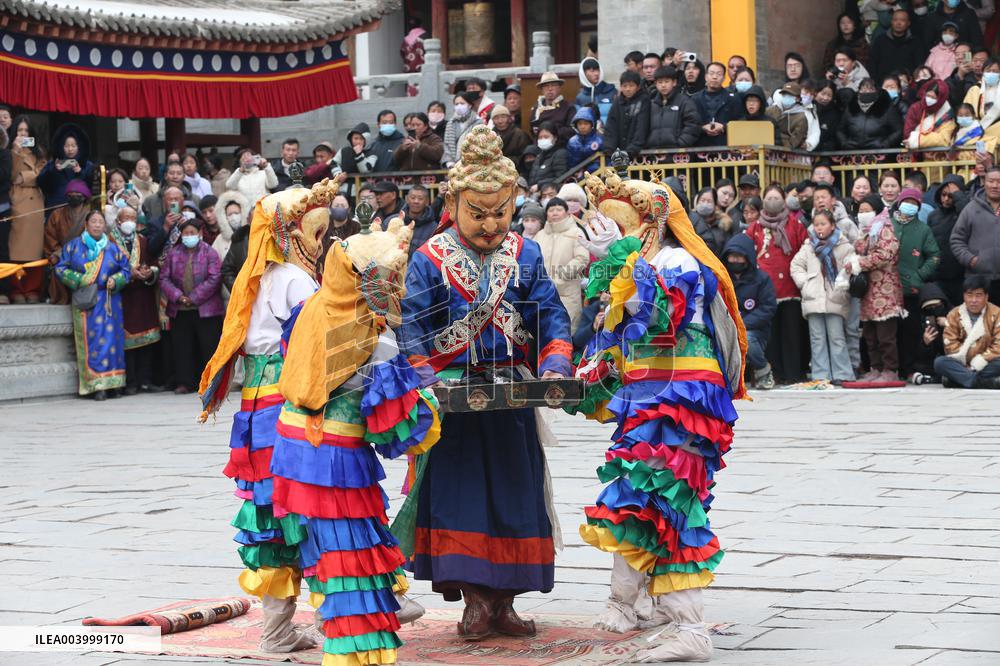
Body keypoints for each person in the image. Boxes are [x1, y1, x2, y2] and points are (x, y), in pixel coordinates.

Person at [399, 126, 573, 641]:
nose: (491, 224)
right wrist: (425, 377)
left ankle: (506, 601)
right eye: (479, 213)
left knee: (516, 498)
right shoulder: (430, 257)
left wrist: (556, 364)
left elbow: (550, 316)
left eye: (501, 212)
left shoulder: (526, 253)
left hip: (512, 397)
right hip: (453, 406)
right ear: (454, 203)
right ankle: (475, 601)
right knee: (462, 499)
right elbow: (412, 326)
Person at [571, 169, 746, 662]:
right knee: (635, 495)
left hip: (683, 395)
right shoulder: (642, 260)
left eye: (628, 221)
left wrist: (625, 261)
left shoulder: (678, 260)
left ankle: (690, 625)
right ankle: (627, 604)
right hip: (648, 392)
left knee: (668, 501)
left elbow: (659, 320)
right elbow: (618, 328)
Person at [271, 213, 440, 666]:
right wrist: (427, 412)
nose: (398, 289)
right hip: (336, 462)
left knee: (324, 551)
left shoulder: (313, 308)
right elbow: (392, 430)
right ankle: (352, 657)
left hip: (291, 452)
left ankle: (332, 633)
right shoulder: (373, 334)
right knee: (353, 563)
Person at [199, 179, 358, 653]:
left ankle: (277, 631)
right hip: (287, 403)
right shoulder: (293, 278)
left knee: (271, 514)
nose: (321, 242)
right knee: (311, 509)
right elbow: (319, 340)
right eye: (316, 233)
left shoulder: (259, 278)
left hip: (256, 406)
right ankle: (344, 618)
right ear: (291, 234)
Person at [55, 210, 131, 400]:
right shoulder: (73, 247)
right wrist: (81, 279)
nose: (97, 225)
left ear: (105, 226)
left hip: (110, 300)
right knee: (94, 341)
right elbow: (61, 268)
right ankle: (96, 384)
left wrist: (117, 279)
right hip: (87, 299)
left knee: (114, 340)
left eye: (100, 222)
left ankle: (114, 383)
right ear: (86, 225)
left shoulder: (113, 248)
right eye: (93, 221)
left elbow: (126, 270)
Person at [747, 184, 809, 383]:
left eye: (777, 198)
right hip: (764, 291)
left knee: (791, 333)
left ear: (784, 200)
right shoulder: (755, 226)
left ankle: (793, 373)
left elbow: (804, 250)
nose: (773, 201)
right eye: (769, 197)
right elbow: (747, 252)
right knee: (770, 336)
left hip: (790, 288)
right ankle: (775, 373)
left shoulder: (795, 224)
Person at [791, 209, 857, 383]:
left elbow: (852, 267)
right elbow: (796, 266)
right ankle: (821, 375)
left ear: (833, 225)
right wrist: (805, 283)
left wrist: (844, 283)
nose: (819, 227)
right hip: (813, 297)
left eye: (823, 224)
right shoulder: (808, 246)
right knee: (817, 338)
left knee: (837, 337)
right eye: (816, 224)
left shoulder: (844, 246)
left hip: (835, 295)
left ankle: (842, 374)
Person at [159, 218, 223, 394]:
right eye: (185, 233)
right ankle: (185, 382)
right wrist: (179, 297)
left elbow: (215, 278)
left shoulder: (209, 252)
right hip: (180, 309)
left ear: (200, 233)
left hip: (206, 309)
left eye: (192, 233)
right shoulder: (174, 253)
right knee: (182, 347)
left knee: (208, 346)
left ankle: (210, 382)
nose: (189, 236)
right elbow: (164, 278)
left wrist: (194, 297)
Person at [849, 194, 905, 382]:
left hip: (885, 290)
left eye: (867, 210)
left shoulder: (884, 228)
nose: (863, 214)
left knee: (885, 335)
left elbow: (885, 254)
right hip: (868, 292)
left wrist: (860, 262)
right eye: (861, 211)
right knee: (870, 335)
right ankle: (875, 368)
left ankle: (890, 369)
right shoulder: (864, 231)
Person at [109, 205, 161, 395]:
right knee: (127, 344)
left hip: (143, 296)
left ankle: (145, 380)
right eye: (125, 218)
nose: (129, 222)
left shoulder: (143, 241)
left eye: (133, 218)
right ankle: (130, 382)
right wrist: (129, 275)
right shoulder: (110, 243)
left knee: (146, 341)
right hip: (123, 296)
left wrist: (149, 273)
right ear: (118, 221)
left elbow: (155, 264)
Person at [724, 234, 777, 388]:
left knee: (747, 339)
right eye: (732, 257)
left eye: (739, 257)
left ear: (747, 258)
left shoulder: (761, 279)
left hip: (754, 328)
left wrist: (742, 324)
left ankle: (764, 372)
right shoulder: (723, 278)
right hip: (726, 326)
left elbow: (768, 308)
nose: (735, 261)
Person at [6, 115, 47, 303]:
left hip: (36, 201)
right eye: (20, 130)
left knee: (35, 249)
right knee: (16, 248)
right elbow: (10, 175)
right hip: (17, 201)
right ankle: (16, 289)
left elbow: (42, 174)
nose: (23, 134)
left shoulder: (39, 152)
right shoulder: (9, 151)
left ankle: (33, 289)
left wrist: (25, 176)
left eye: (26, 131)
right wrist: (15, 150)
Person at [933, 275, 1000, 388]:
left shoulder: (997, 313)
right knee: (939, 362)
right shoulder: (954, 314)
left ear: (986, 297)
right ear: (964, 296)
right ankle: (984, 382)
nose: (973, 300)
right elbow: (950, 345)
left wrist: (978, 363)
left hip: (986, 362)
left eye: (978, 296)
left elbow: (998, 346)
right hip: (962, 363)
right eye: (969, 295)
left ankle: (958, 379)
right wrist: (968, 363)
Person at [533, 197, 588, 327]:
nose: (555, 213)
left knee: (563, 334)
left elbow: (582, 258)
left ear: (567, 213)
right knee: (542, 335)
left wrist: (562, 275)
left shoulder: (576, 232)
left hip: (566, 293)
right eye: (551, 210)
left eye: (559, 209)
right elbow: (532, 260)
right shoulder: (540, 235)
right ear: (546, 214)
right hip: (542, 294)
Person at [951, 166, 1000, 305]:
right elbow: (956, 240)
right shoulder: (971, 208)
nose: (995, 185)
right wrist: (971, 260)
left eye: (999, 181)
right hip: (979, 279)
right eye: (991, 181)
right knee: (980, 324)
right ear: (984, 182)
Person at [43, 179, 92, 305]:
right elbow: (50, 237)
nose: (74, 196)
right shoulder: (57, 214)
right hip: (61, 255)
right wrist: (59, 253)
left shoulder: (91, 215)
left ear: (84, 197)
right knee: (59, 266)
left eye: (77, 194)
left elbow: (94, 237)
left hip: (84, 256)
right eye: (71, 194)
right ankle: (60, 298)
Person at [928, 174, 969, 306]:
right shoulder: (933, 216)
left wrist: (957, 195)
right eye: (943, 194)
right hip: (939, 277)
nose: (946, 199)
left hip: (961, 276)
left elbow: (968, 214)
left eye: (950, 196)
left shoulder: (963, 213)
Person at [38, 123, 93, 212]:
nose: (70, 149)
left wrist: (80, 172)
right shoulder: (52, 164)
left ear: (79, 147)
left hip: (80, 211)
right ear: (61, 146)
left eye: (73, 146)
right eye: (67, 146)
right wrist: (54, 171)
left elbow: (91, 188)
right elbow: (41, 184)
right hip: (56, 210)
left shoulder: (87, 165)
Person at [837, 79, 904, 149]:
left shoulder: (886, 107)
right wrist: (844, 143)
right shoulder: (851, 108)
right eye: (863, 89)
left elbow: (898, 130)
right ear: (858, 91)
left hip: (879, 153)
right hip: (853, 153)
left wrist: (885, 144)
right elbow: (840, 130)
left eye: (871, 89)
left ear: (876, 91)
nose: (867, 92)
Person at [646, 66, 702, 149]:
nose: (663, 85)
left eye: (666, 81)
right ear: (656, 84)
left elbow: (693, 126)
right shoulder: (651, 104)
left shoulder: (685, 102)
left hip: (678, 155)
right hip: (654, 154)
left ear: (674, 82)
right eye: (660, 82)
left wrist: (681, 143)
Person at [868, 10, 929, 84]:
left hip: (908, 85)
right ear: (891, 22)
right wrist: (875, 82)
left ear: (908, 23)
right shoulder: (880, 40)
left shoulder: (915, 42)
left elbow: (919, 66)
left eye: (902, 20)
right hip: (883, 84)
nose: (898, 23)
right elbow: (872, 63)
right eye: (895, 20)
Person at [904, 79, 957, 150]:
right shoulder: (916, 108)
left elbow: (944, 139)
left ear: (941, 99)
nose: (929, 99)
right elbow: (908, 135)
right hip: (915, 153)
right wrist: (933, 137)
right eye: (928, 96)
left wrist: (918, 140)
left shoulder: (947, 113)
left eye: (933, 97)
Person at [694, 61, 737, 147]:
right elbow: (689, 122)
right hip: (701, 146)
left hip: (725, 146)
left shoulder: (732, 98)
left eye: (719, 74)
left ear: (724, 78)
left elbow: (739, 121)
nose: (714, 77)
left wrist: (723, 127)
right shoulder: (695, 99)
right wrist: (702, 128)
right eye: (711, 73)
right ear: (706, 77)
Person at [529, 72, 575, 143]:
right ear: (542, 90)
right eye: (546, 86)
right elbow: (533, 130)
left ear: (559, 88)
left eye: (553, 85)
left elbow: (571, 131)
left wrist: (552, 131)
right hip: (540, 144)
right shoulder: (536, 109)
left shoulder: (568, 107)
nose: (550, 89)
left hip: (560, 144)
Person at [690, 186, 735, 257]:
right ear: (697, 202)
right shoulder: (689, 221)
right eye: (702, 200)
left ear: (715, 204)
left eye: (709, 201)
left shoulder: (723, 224)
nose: (705, 204)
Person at [442, 92, 485, 168]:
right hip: (454, 165)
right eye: (456, 104)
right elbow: (447, 144)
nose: (459, 106)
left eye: (462, 103)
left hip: (473, 165)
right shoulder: (451, 123)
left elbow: (480, 144)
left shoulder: (478, 122)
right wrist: (450, 162)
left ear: (469, 105)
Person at [394, 184, 437, 256]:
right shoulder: (394, 221)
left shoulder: (434, 228)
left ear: (427, 202)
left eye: (420, 199)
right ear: (407, 199)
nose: (416, 201)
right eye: (413, 198)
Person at [766, 83, 809, 149]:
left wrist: (778, 137)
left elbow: (793, 143)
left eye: (790, 95)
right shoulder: (770, 110)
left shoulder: (801, 118)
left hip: (784, 152)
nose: (786, 97)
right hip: (766, 146)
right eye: (784, 94)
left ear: (797, 98)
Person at [575, 57, 617, 125]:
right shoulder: (580, 97)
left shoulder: (612, 92)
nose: (596, 73)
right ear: (583, 73)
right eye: (592, 71)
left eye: (598, 70)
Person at [527, 123, 568, 188]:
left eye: (546, 137)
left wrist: (539, 185)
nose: (543, 139)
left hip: (549, 191)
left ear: (555, 138)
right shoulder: (539, 155)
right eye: (540, 137)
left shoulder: (560, 154)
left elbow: (560, 177)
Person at [566, 106, 604, 173]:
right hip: (577, 175)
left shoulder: (600, 140)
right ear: (576, 125)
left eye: (586, 124)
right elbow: (570, 164)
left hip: (597, 175)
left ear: (592, 124)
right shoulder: (572, 141)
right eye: (580, 124)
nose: (582, 126)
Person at [813, 81, 844, 151]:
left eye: (829, 95)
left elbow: (833, 138)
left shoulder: (835, 114)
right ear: (816, 93)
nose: (825, 98)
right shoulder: (807, 108)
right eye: (823, 94)